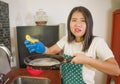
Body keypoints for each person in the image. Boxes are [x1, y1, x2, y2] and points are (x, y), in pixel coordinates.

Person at [24, 6, 120, 84]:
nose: (77, 24)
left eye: (83, 20)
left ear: (89, 24)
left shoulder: (97, 42)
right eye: (74, 20)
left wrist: (87, 60)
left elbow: (116, 70)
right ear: (69, 23)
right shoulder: (66, 39)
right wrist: (41, 48)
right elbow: (50, 51)